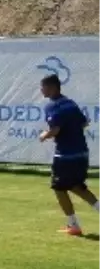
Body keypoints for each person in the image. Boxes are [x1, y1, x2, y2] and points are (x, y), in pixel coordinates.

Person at [38, 72, 97, 236]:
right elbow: (84, 123)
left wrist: (44, 135)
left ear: (52, 87)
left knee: (58, 188)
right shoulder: (70, 103)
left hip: (66, 155)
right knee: (77, 186)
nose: (41, 90)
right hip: (82, 153)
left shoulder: (52, 106)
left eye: (43, 87)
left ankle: (73, 225)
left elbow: (55, 130)